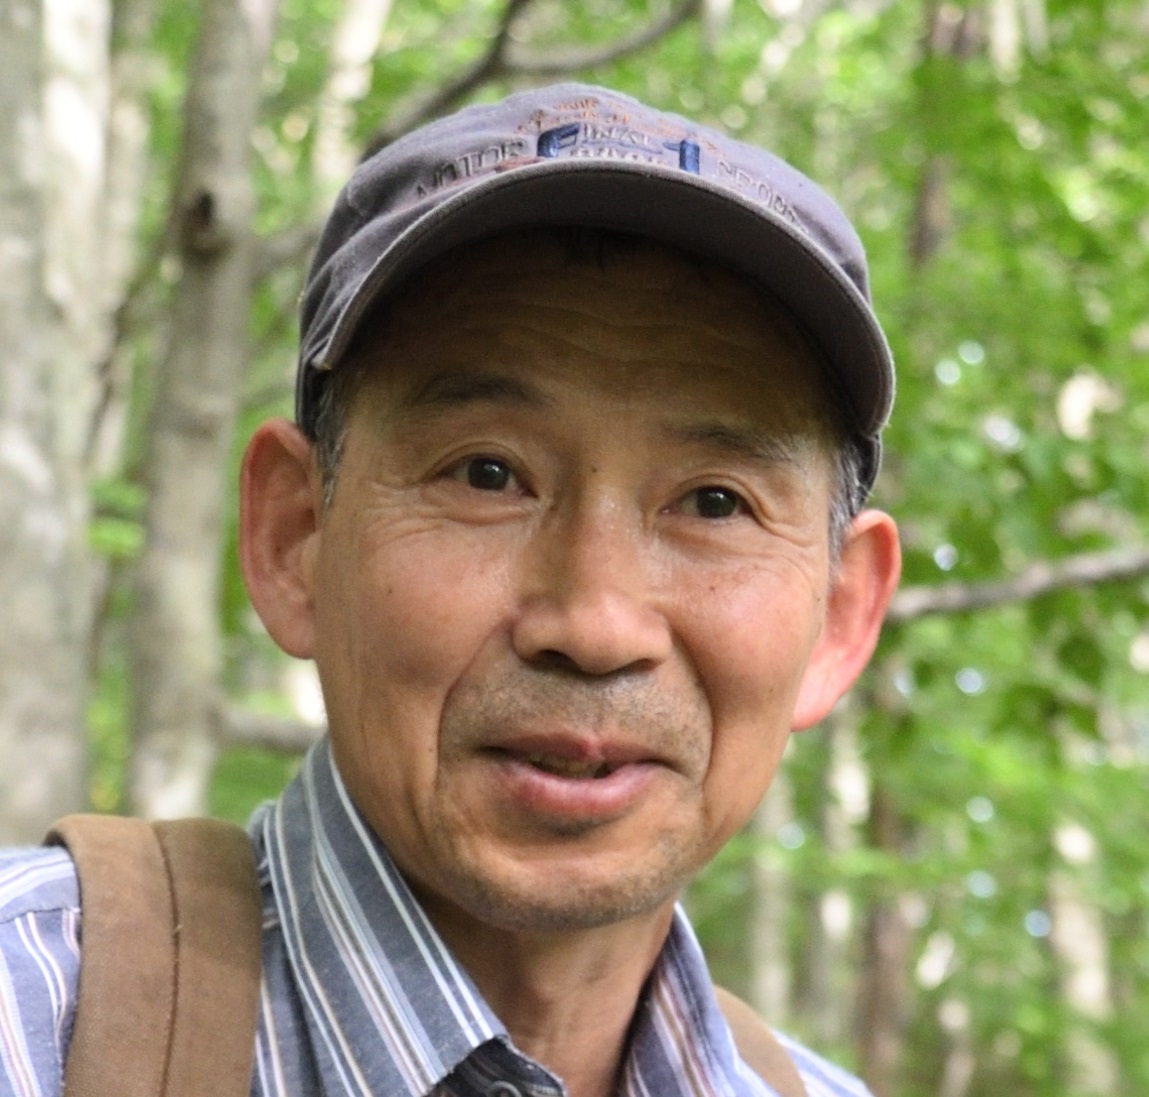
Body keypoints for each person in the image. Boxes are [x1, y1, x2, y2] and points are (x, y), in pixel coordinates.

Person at [0, 83, 901, 1097]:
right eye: (486, 473)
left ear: (838, 616)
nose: (596, 623)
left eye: (713, 501)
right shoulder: (32, 1024)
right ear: (296, 536)